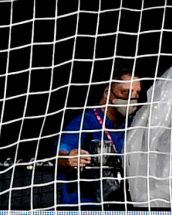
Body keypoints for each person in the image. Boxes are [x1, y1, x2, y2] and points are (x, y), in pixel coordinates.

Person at [56, 70, 142, 207]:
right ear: (107, 92)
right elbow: (60, 157)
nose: (133, 98)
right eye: (126, 93)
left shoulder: (135, 124)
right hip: (84, 211)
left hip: (121, 210)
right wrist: (68, 159)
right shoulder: (84, 123)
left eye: (137, 93)